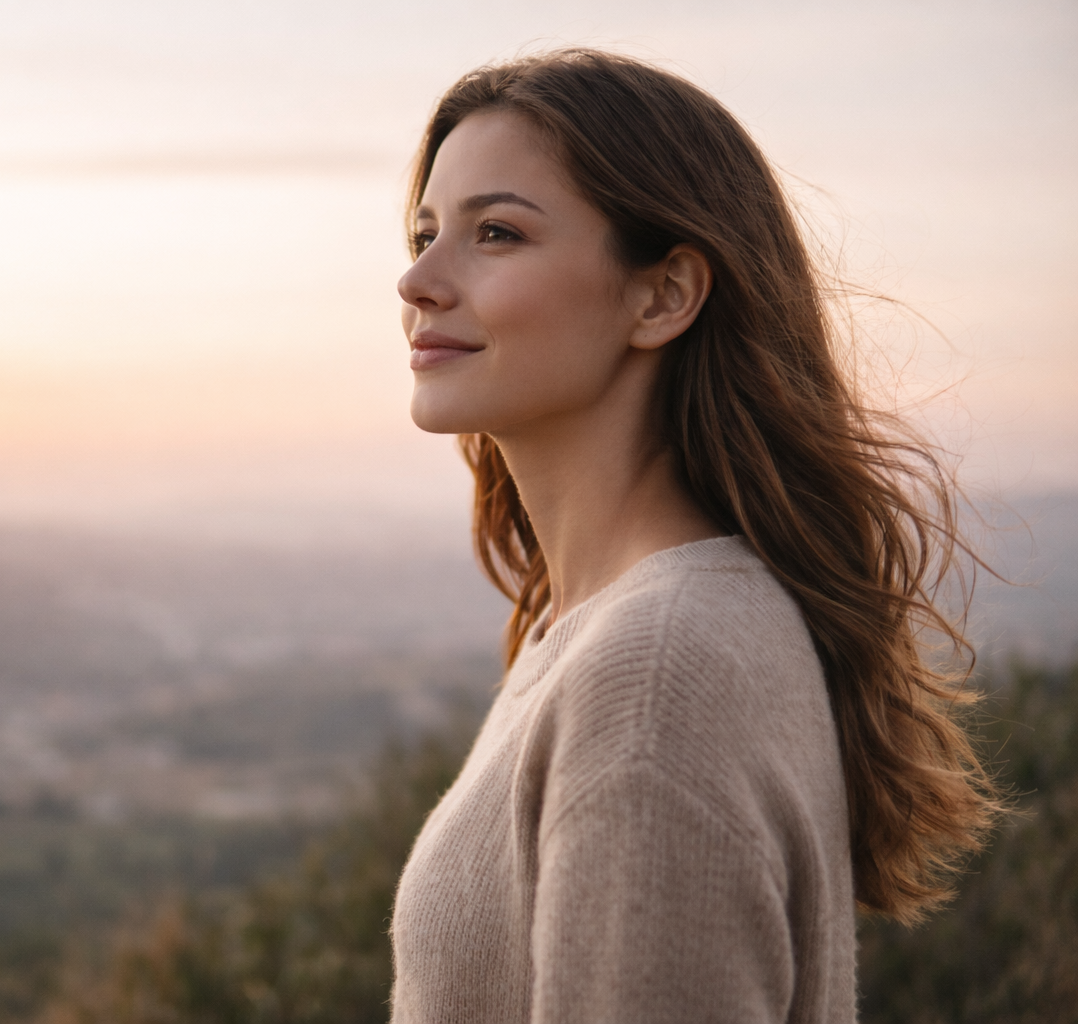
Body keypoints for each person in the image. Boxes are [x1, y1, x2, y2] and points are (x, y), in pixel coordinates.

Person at [388, 50, 999, 1023]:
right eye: (425, 233)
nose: (416, 280)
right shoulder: (617, 632)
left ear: (664, 294)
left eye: (495, 232)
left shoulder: (657, 673)